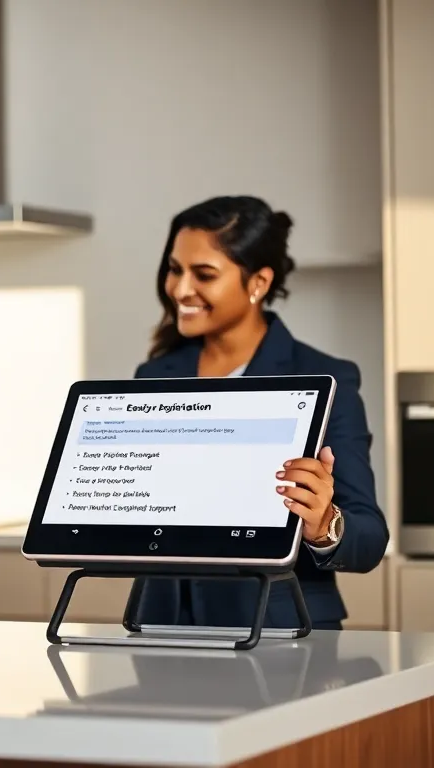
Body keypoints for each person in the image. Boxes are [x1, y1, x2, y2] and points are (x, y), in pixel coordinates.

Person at [125, 195, 389, 631]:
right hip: (161, 626)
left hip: (280, 627)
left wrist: (324, 523)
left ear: (258, 283)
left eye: (203, 274)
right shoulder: (154, 375)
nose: (180, 289)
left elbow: (369, 537)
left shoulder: (325, 377)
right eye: (175, 270)